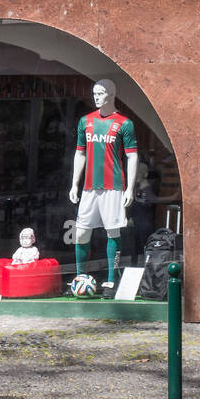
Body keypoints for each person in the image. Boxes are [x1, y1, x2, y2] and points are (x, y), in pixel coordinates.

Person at [69, 79, 138, 296]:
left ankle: (111, 280)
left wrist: (129, 189)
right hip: (89, 187)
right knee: (80, 234)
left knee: (112, 232)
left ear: (111, 94)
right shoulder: (85, 121)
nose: (96, 97)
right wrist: (74, 183)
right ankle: (80, 276)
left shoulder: (124, 123)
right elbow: (80, 153)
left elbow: (132, 156)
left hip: (113, 186)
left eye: (100, 94)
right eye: (94, 93)